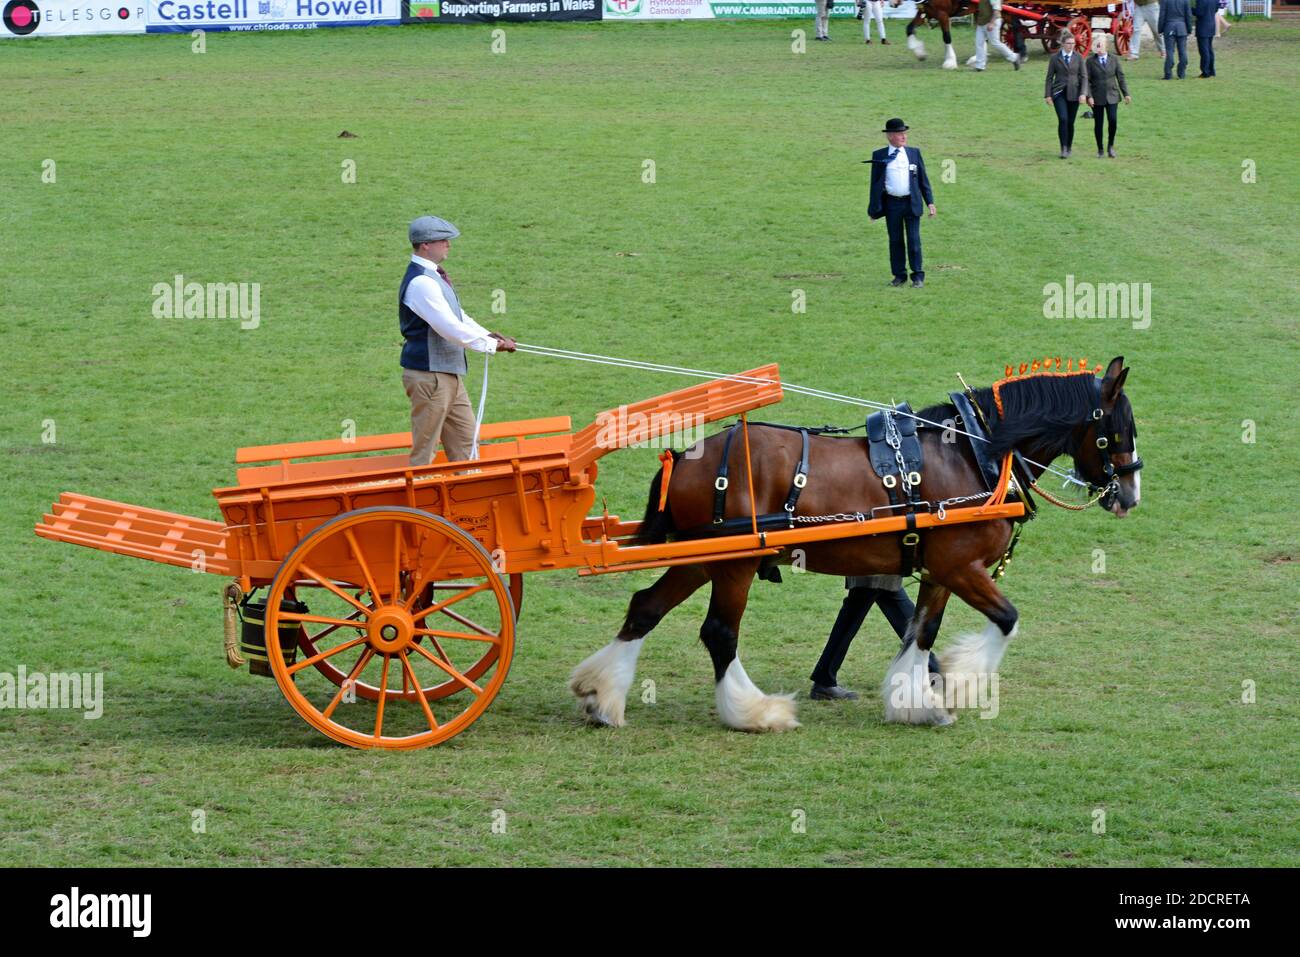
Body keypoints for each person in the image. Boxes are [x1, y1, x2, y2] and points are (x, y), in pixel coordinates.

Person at [400, 215, 516, 467]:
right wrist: (489, 345)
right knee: (426, 449)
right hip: (430, 377)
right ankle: (419, 497)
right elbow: (448, 328)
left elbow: (458, 317)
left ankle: (468, 498)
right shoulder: (421, 282)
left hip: (448, 375)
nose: (448, 245)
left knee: (466, 441)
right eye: (443, 240)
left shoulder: (433, 277)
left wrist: (487, 336)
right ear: (425, 245)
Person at [811, 576, 915, 700]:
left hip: (879, 572)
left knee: (910, 622)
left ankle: (824, 679)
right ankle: (933, 672)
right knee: (857, 608)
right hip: (874, 572)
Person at [866, 118, 936, 289]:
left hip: (911, 203)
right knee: (895, 241)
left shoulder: (914, 153)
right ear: (890, 136)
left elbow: (922, 180)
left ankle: (917, 276)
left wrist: (930, 202)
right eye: (899, 134)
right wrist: (873, 210)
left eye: (904, 133)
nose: (904, 136)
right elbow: (874, 184)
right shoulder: (879, 155)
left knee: (913, 240)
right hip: (892, 205)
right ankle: (899, 276)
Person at [1044, 31, 1089, 159]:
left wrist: (1083, 94)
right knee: (1063, 119)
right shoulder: (1054, 58)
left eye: (1073, 43)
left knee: (1070, 122)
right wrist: (1048, 95)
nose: (1071, 46)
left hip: (1074, 94)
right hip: (1059, 93)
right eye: (1068, 43)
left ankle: (1069, 147)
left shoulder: (1079, 57)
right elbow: (1049, 78)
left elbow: (1084, 77)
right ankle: (1063, 148)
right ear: (1063, 44)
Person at [1086, 34, 1131, 158]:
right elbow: (1086, 81)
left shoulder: (1114, 59)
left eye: (1101, 45)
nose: (1099, 47)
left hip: (1112, 95)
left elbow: (1120, 77)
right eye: (1097, 45)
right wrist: (1089, 96)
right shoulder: (1090, 61)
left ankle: (1110, 146)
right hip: (1097, 97)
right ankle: (1100, 149)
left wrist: (1126, 93)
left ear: (1106, 46)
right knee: (1098, 123)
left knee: (1113, 120)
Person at [969, 0, 1021, 71]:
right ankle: (980, 66)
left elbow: (996, 10)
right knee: (979, 43)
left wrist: (992, 23)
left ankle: (1014, 57)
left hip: (992, 21)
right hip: (981, 22)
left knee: (995, 43)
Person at [1160, 0, 1192, 79]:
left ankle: (1168, 73)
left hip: (1169, 26)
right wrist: (1189, 29)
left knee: (1170, 51)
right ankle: (1182, 73)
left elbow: (1162, 15)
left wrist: (1160, 29)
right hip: (1182, 27)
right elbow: (1188, 15)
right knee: (1183, 51)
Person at [1193, 0, 1217, 77]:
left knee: (1204, 51)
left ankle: (1205, 72)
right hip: (1211, 25)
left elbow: (1199, 12)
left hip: (1203, 27)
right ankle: (1211, 70)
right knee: (1209, 49)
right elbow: (1216, 9)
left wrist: (1190, 9)